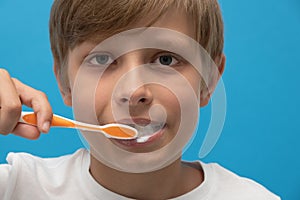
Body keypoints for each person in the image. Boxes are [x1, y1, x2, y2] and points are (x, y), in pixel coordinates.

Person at [0, 0, 280, 199]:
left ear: (209, 82)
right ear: (64, 82)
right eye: (101, 59)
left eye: (166, 59)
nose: (134, 91)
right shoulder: (16, 188)